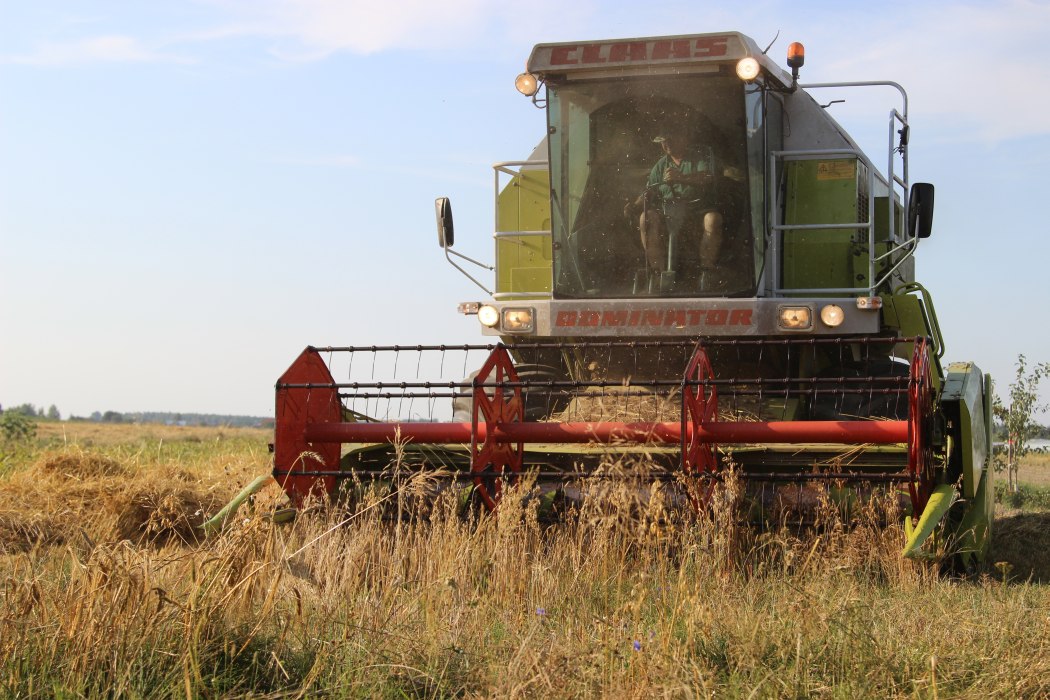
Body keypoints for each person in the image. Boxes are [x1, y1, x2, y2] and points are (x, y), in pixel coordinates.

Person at [625, 130, 724, 283]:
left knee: (713, 219)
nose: (666, 144)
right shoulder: (660, 165)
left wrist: (681, 177)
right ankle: (658, 275)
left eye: (670, 139)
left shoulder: (697, 158)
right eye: (663, 141)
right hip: (668, 212)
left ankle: (706, 273)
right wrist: (635, 205)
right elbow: (649, 190)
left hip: (695, 210)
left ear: (682, 139)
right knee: (646, 218)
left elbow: (707, 177)